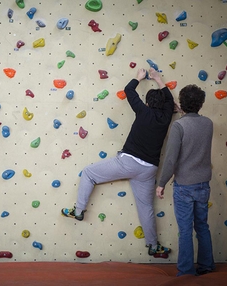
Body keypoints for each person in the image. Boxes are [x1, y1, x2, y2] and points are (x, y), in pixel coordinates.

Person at [61, 68, 175, 256]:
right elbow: (169, 101)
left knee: (89, 173)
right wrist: (158, 79)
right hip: (149, 170)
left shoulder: (143, 111)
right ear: (164, 106)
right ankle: (153, 246)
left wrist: (138, 78)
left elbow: (129, 91)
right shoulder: (166, 117)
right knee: (146, 207)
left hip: (128, 162)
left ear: (147, 102)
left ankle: (79, 210)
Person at [156, 84, 215, 276]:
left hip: (184, 186)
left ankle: (186, 272)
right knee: (202, 227)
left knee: (185, 230)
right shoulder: (208, 124)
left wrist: (162, 182)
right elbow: (194, 126)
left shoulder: (179, 126)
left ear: (181, 103)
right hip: (203, 184)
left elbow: (171, 159)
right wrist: (186, 110)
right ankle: (206, 266)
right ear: (201, 103)